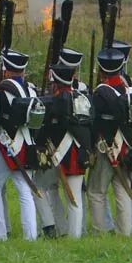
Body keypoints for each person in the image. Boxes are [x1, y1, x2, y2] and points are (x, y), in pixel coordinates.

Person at [86, 47, 132, 236]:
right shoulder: (129, 89)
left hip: (106, 146)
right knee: (123, 189)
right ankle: (125, 232)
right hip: (126, 147)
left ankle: (100, 230)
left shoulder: (101, 92)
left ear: (101, 70)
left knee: (96, 191)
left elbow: (95, 122)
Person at [0, 49, 40, 241]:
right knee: (25, 190)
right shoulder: (32, 90)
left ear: (7, 70)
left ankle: (0, 234)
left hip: (8, 145)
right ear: (23, 71)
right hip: (28, 144)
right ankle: (31, 236)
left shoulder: (2, 91)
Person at [37, 62, 91, 238]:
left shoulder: (57, 102)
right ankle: (67, 231)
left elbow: (48, 129)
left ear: (56, 82)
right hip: (77, 151)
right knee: (72, 198)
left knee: (45, 188)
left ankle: (62, 231)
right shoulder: (80, 98)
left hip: (65, 153)